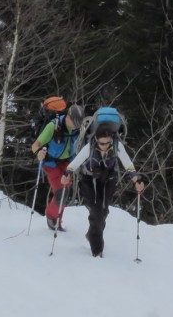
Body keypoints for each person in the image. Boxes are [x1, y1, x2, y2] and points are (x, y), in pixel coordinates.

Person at [62, 121, 146, 257]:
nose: (105, 146)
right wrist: (67, 174)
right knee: (96, 213)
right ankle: (97, 249)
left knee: (104, 211)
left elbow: (128, 164)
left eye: (108, 143)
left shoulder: (117, 146)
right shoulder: (89, 147)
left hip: (108, 180)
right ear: (96, 140)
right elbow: (74, 163)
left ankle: (92, 234)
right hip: (89, 180)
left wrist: (137, 180)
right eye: (102, 143)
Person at [31, 103, 84, 231]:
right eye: (74, 122)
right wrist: (39, 153)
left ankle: (58, 222)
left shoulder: (78, 129)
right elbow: (36, 144)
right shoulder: (53, 126)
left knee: (65, 192)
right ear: (67, 117)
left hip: (67, 164)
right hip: (51, 163)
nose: (76, 126)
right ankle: (51, 217)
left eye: (78, 124)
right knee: (62, 192)